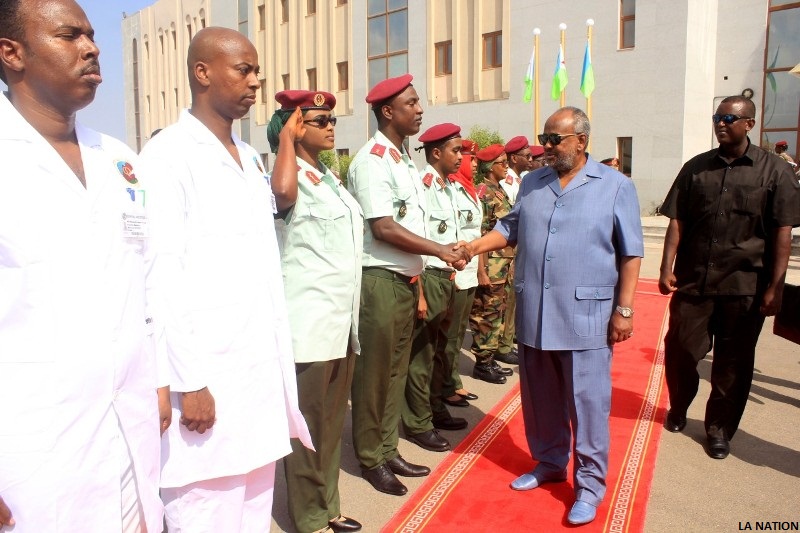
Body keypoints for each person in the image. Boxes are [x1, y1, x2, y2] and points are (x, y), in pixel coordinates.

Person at [139, 27, 312, 531]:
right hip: (208, 382)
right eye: (244, 69)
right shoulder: (168, 156)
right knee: (205, 512)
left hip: (256, 377)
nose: (255, 81)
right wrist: (190, 381)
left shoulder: (250, 156)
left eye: (256, 70)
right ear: (202, 73)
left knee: (254, 512)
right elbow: (162, 274)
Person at [0, 0, 163, 530]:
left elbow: (147, 279)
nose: (92, 48)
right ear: (12, 53)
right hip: (33, 451)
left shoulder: (119, 160)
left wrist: (159, 379)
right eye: (69, 35)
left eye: (91, 34)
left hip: (126, 426)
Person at [459, 106, 643, 526]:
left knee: (588, 404)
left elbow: (631, 252)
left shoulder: (614, 186)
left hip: (587, 316)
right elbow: (509, 228)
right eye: (544, 137)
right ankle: (549, 463)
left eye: (555, 139)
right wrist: (474, 247)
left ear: (581, 141)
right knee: (540, 400)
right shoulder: (532, 182)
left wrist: (625, 310)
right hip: (536, 313)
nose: (547, 146)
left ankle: (590, 486)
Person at [659, 96, 800, 460]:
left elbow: (783, 231)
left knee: (732, 364)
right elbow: (678, 219)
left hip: (746, 287)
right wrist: (666, 266)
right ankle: (679, 405)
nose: (721, 124)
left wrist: (776, 286)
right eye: (717, 118)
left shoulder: (776, 172)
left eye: (729, 118)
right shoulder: (695, 168)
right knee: (681, 352)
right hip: (694, 282)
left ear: (749, 124)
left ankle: (719, 429)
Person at [346, 74, 467, 497]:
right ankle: (370, 457)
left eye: (418, 103)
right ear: (387, 111)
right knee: (375, 375)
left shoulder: (401, 161)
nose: (419, 109)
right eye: (411, 103)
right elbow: (383, 227)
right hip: (378, 279)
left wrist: (430, 258)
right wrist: (439, 250)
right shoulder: (372, 160)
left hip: (403, 279)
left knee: (396, 373)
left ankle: (387, 447)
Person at [265, 90, 364, 533]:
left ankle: (329, 505)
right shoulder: (288, 176)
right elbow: (282, 196)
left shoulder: (327, 177)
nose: (330, 126)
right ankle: (308, 517)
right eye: (318, 120)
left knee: (328, 423)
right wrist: (285, 142)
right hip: (307, 322)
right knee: (306, 429)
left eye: (332, 120)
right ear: (294, 127)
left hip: (341, 323)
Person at [402, 123, 467, 454]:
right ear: (437, 152)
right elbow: (415, 239)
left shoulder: (450, 187)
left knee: (440, 351)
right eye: (456, 150)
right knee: (422, 356)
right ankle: (417, 422)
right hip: (429, 277)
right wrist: (422, 292)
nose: (461, 156)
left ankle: (435, 407)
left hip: (449, 278)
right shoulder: (422, 185)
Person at [468, 144, 516, 384]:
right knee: (486, 314)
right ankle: (482, 363)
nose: (506, 166)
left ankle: (490, 357)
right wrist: (482, 270)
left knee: (498, 313)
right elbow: (481, 234)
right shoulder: (484, 192)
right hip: (491, 266)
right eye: (502, 162)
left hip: (503, 265)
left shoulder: (499, 190)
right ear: (489, 167)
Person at [440, 139, 482, 408]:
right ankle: (447, 385)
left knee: (456, 335)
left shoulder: (470, 191)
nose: (475, 164)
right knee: (449, 336)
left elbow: (476, 233)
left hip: (470, 272)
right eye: (471, 159)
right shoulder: (451, 188)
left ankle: (453, 381)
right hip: (455, 271)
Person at [496, 136, 531, 367]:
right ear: (514, 158)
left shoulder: (522, 181)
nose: (530, 160)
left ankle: (507, 341)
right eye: (527, 156)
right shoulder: (508, 184)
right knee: (504, 302)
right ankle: (502, 345)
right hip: (504, 253)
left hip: (517, 250)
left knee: (513, 300)